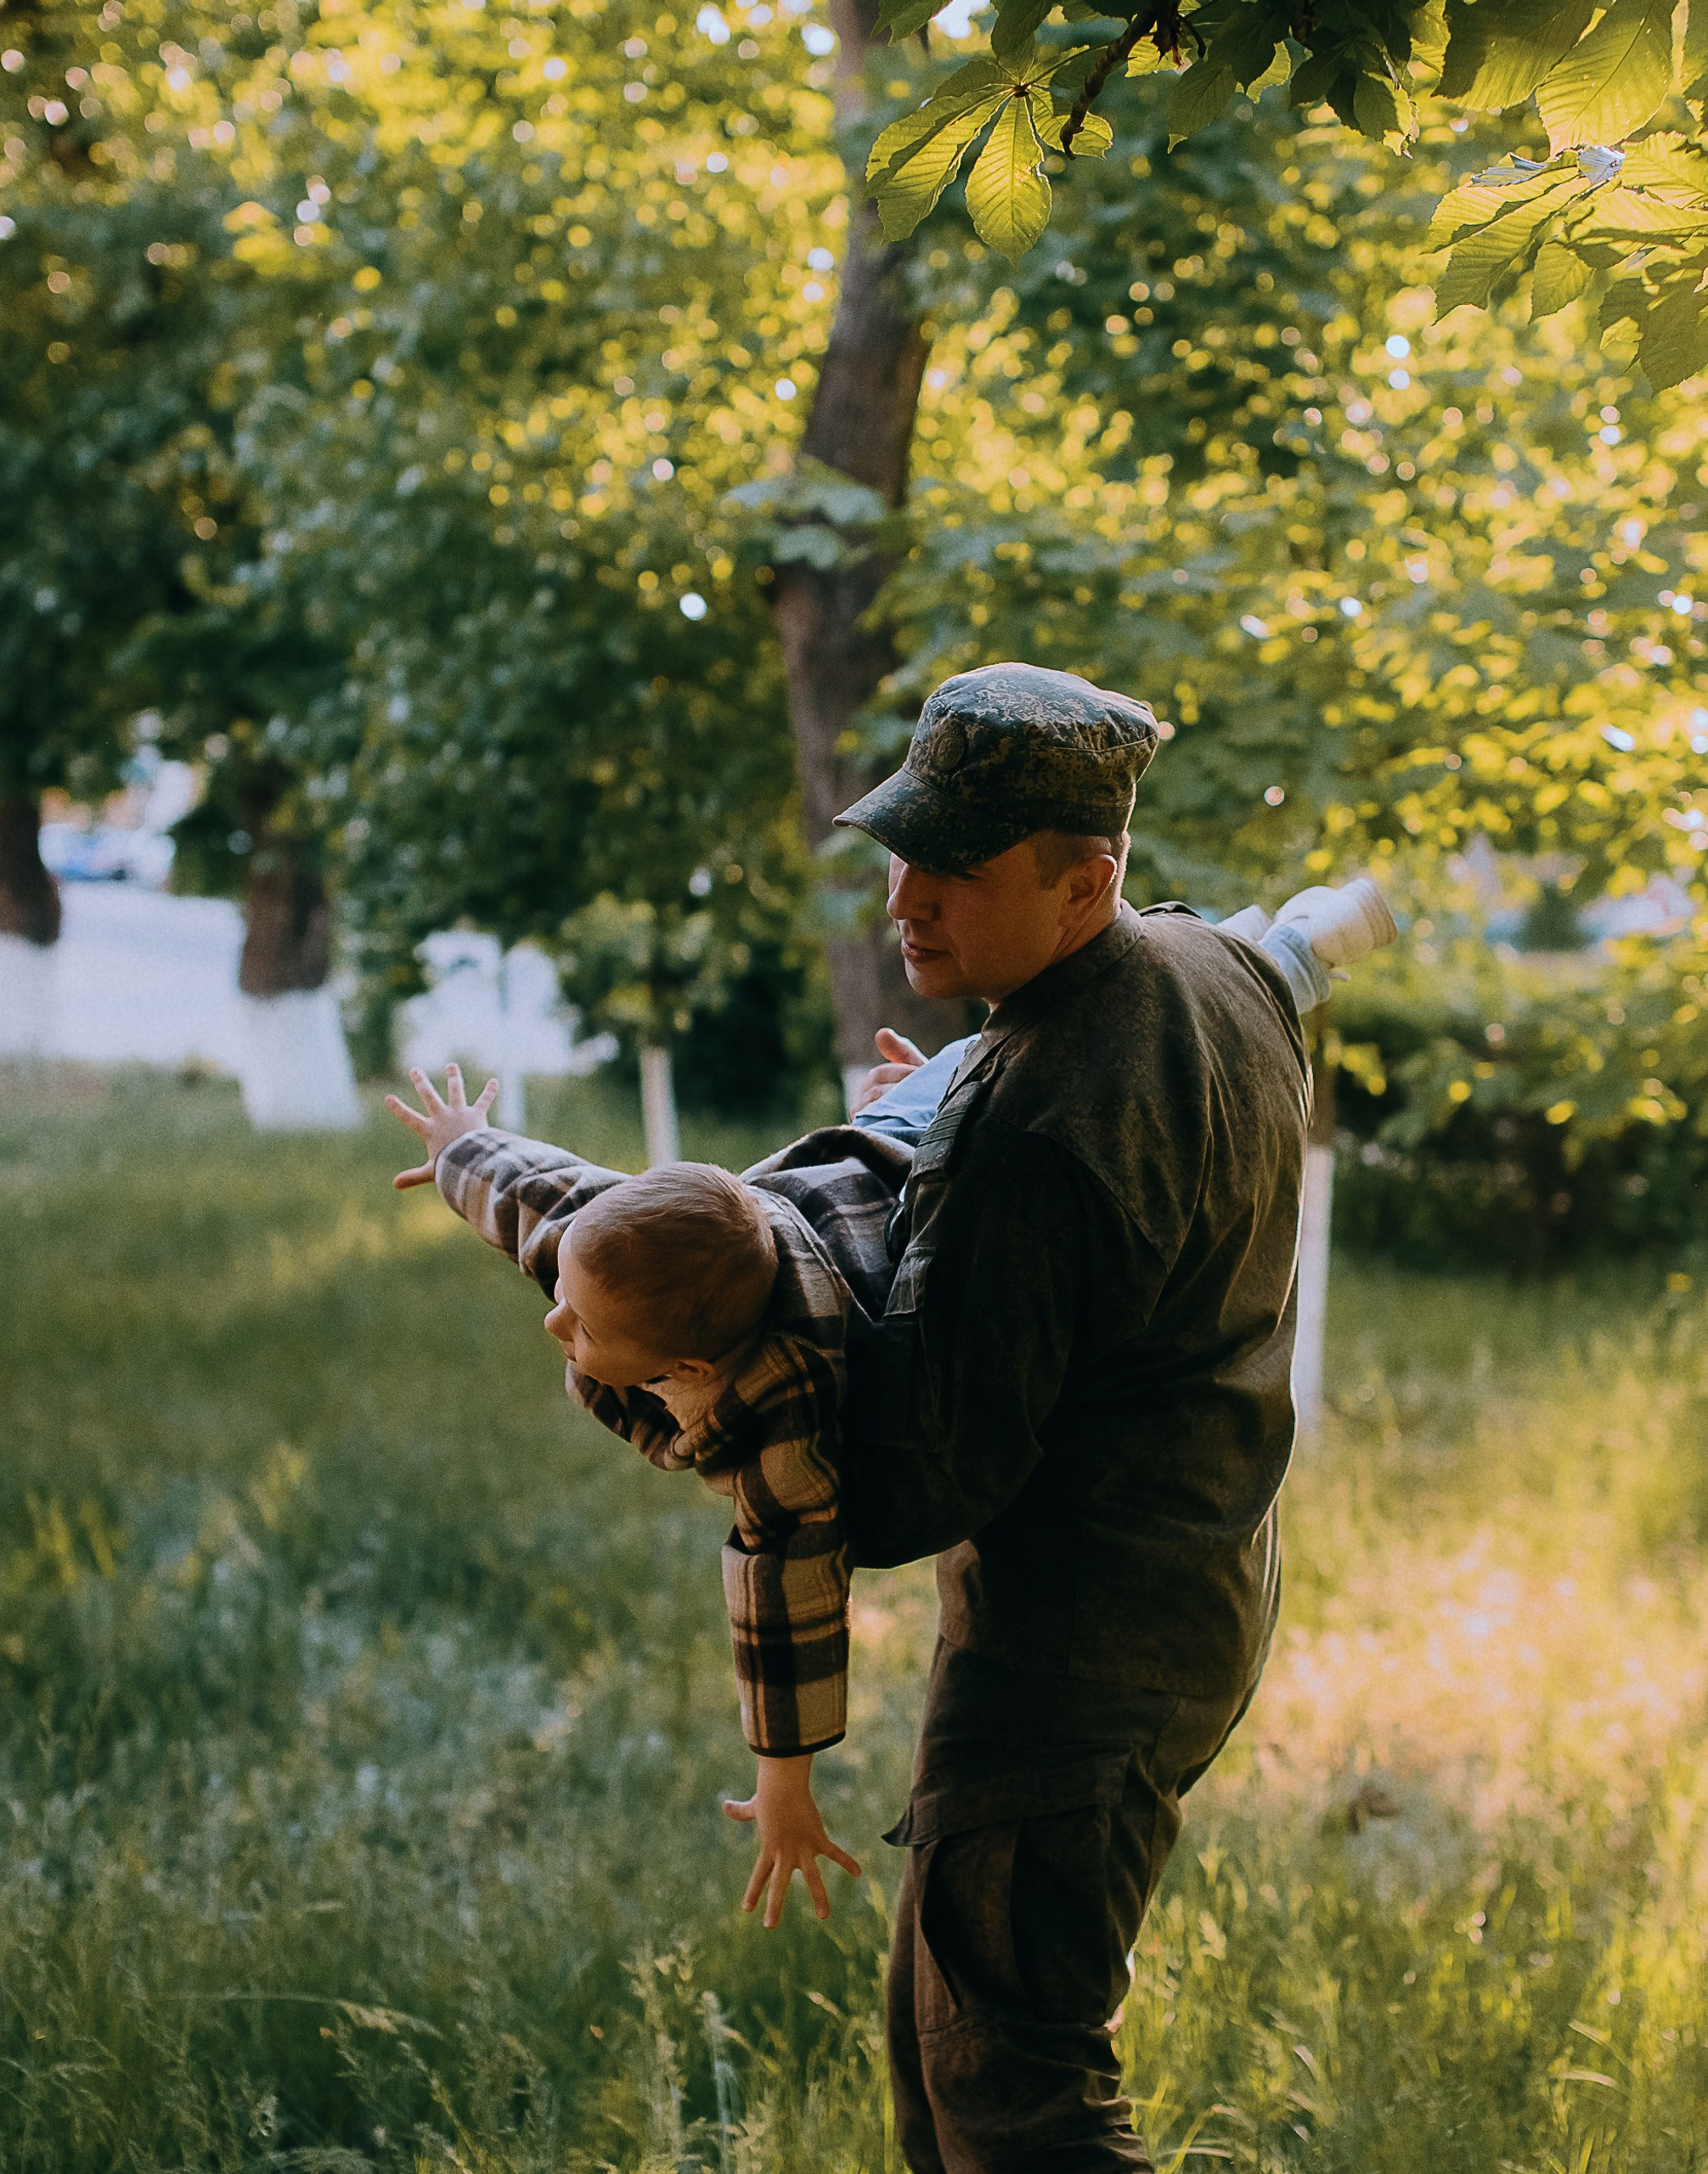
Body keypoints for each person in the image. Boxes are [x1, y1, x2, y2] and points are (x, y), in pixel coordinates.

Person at [383, 850, 1390, 1949]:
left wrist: (785, 1785)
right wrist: (455, 1149)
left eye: (584, 1327)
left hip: (928, 1158)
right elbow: (544, 1201)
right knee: (947, 1085)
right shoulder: (621, 1256)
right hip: (889, 1145)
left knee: (1040, 1063)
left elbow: (787, 1596)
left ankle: (1292, 943)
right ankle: (1234, 951)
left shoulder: (782, 1426)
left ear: (692, 1355)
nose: (555, 1327)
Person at [828, 660, 1316, 2174]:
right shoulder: (1207, 969)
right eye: (902, 848)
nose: (907, 897)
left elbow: (918, 1484)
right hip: (1193, 1598)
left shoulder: (1032, 1137)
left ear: (1087, 881)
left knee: (1015, 2090)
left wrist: (692, 1379)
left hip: (1071, 1661)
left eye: (957, 870)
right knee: (948, 2032)